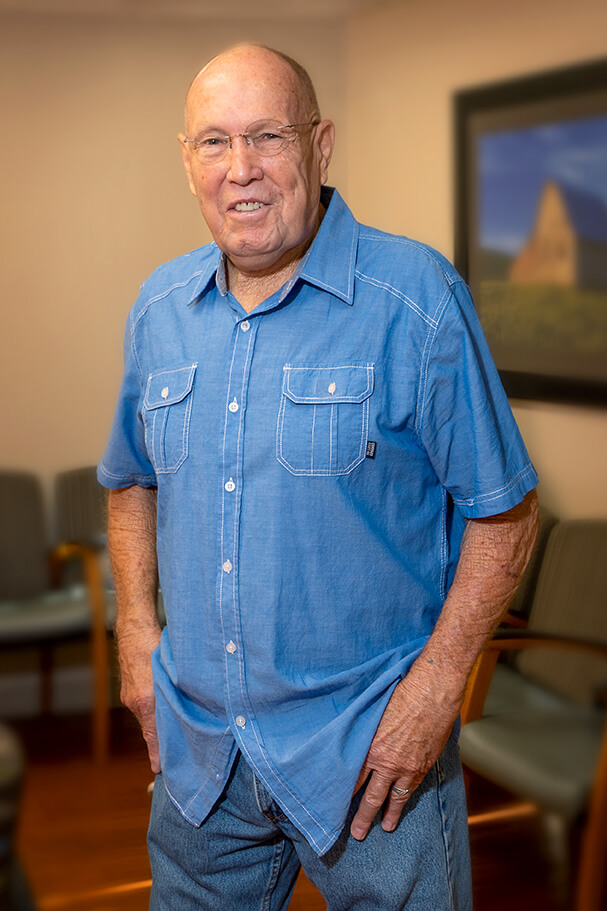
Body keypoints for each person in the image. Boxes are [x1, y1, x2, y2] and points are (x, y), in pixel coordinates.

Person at [98, 44, 539, 911]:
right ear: (186, 160)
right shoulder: (158, 310)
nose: (242, 169)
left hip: (374, 765)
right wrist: (135, 639)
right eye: (215, 143)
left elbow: (507, 515)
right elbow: (129, 481)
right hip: (202, 765)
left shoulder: (417, 299)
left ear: (321, 143)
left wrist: (434, 694)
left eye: (267, 135)